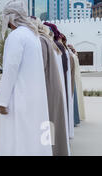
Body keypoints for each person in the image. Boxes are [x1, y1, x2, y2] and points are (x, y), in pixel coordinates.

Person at [0, 1, 52, 156]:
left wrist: (2, 101)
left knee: (17, 139)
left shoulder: (16, 36)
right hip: (34, 98)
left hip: (19, 98)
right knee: (31, 139)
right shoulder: (32, 35)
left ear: (11, 17)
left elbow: (10, 70)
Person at [31, 18, 70, 156]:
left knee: (47, 125)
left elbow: (39, 69)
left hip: (48, 90)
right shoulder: (50, 42)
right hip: (54, 88)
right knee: (52, 124)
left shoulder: (41, 41)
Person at [45, 23, 75, 140]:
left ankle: (51, 142)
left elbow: (63, 68)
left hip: (54, 86)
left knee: (51, 116)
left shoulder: (55, 46)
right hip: (58, 85)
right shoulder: (56, 45)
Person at [68, 44, 86, 122]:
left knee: (76, 96)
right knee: (78, 97)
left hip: (74, 77)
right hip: (77, 77)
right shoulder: (75, 56)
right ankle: (79, 115)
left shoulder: (72, 56)